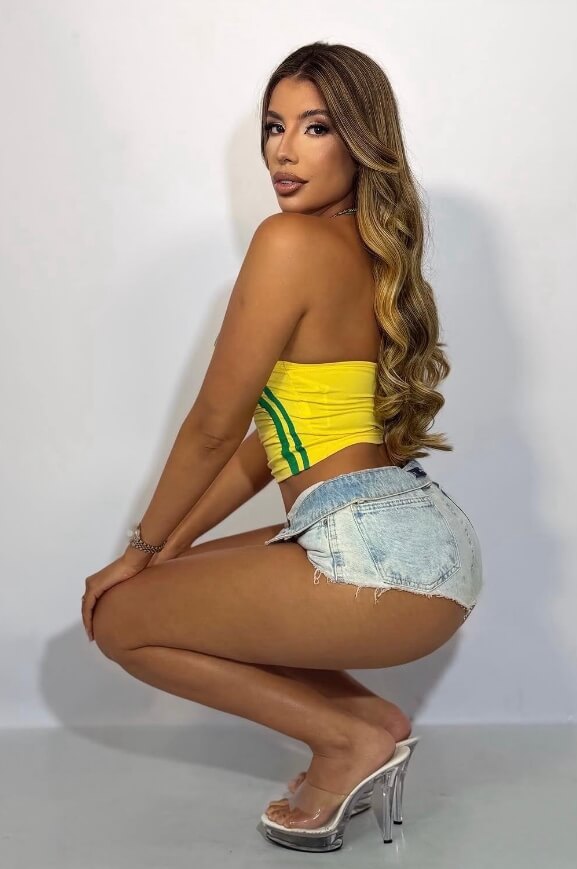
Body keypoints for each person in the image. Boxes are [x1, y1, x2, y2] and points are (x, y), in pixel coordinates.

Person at [83, 40, 483, 852]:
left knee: (121, 618)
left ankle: (343, 742)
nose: (284, 150)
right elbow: (267, 444)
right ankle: (372, 723)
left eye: (315, 127)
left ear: (360, 140)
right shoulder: (372, 252)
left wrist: (137, 550)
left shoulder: (287, 243)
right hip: (422, 536)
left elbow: (213, 423)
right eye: (274, 126)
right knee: (161, 588)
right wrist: (168, 547)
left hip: (367, 550)